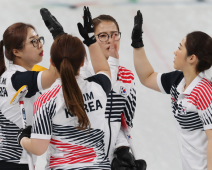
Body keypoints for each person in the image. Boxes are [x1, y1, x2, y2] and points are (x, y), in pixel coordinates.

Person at [17, 7, 113, 170]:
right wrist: (90, 39)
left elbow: (39, 148)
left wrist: (23, 138)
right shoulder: (99, 86)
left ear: (52, 63)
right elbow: (103, 70)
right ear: (83, 62)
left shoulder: (46, 100)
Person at [131, 11, 212, 170]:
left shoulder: (205, 93)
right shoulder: (177, 81)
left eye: (179, 47)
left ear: (192, 58)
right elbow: (147, 77)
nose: (175, 51)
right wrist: (137, 43)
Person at [81, 14, 147, 170]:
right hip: (86, 160)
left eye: (114, 34)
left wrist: (122, 149)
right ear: (92, 39)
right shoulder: (82, 75)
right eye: (103, 36)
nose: (110, 40)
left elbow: (125, 122)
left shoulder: (127, 77)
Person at [0, 21, 59, 169]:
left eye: (39, 39)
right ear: (16, 51)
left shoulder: (9, 76)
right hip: (14, 162)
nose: (40, 44)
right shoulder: (18, 79)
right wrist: (59, 37)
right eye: (33, 41)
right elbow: (54, 73)